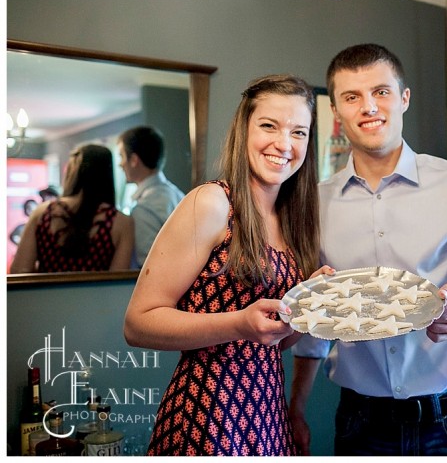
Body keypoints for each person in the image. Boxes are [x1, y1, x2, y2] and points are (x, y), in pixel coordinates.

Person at [288, 43, 447, 456]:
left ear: (403, 98)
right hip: (360, 424)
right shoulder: (314, 203)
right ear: (336, 112)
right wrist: (295, 409)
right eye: (351, 97)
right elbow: (314, 328)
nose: (368, 107)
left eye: (380, 91)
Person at [123, 74, 332, 456]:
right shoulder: (212, 203)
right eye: (269, 126)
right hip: (207, 414)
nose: (284, 143)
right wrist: (237, 323)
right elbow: (138, 323)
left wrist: (310, 305)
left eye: (299, 132)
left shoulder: (290, 220)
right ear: (244, 129)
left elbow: (274, 341)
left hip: (267, 413)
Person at [11, 143, 134, 273]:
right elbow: (116, 282)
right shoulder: (121, 223)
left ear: (71, 172)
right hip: (94, 294)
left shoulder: (42, 213)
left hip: (47, 293)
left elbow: (19, 271)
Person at [117, 125, 186, 268]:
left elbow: (148, 268)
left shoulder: (143, 209)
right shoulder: (178, 194)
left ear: (134, 160)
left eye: (122, 156)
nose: (120, 164)